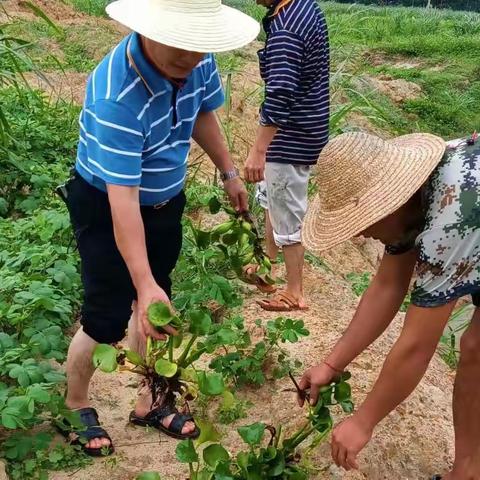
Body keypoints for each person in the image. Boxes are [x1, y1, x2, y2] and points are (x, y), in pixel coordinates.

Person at [58, 0, 259, 456]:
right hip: (107, 205)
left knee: (156, 306)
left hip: (165, 199)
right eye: (179, 43)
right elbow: (122, 200)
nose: (189, 57)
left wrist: (228, 173)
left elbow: (203, 113)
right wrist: (141, 281)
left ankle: (150, 399)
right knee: (107, 312)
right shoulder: (117, 95)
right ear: (147, 28)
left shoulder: (197, 59)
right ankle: (74, 403)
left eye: (198, 45)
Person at [298, 131, 480, 480]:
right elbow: (387, 286)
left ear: (390, 203)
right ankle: (470, 470)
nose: (359, 234)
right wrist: (331, 364)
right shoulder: (416, 200)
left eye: (362, 221)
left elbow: (416, 347)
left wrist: (363, 421)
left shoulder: (449, 218)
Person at [243, 0, 330, 311]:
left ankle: (294, 292)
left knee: (287, 210)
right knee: (271, 198)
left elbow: (280, 93)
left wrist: (259, 149)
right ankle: (268, 262)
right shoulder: (305, 8)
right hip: (307, 124)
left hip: (291, 133)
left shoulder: (286, 30)